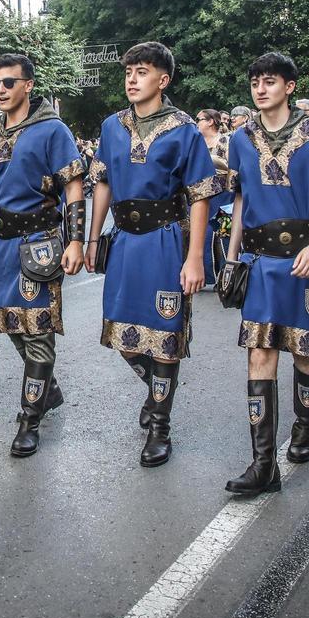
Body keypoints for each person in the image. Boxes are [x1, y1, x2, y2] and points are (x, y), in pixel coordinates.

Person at [221, 52, 309, 495]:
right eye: (255, 82)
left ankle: (303, 428)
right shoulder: (241, 138)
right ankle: (263, 464)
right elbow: (240, 199)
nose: (261, 89)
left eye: (270, 81)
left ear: (289, 87)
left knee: (305, 351)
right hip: (260, 262)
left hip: (305, 260)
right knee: (259, 354)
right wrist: (232, 258)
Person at [85, 42, 219, 466]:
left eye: (141, 72)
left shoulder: (184, 129)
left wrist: (195, 257)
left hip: (165, 239)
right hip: (124, 240)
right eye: (128, 72)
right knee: (122, 335)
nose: (131, 79)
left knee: (164, 335)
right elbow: (102, 183)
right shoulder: (112, 126)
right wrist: (92, 239)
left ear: (163, 80)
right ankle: (158, 391)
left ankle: (160, 426)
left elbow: (200, 196)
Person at [0, 53, 86, 458]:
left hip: (39, 241)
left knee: (38, 329)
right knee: (12, 324)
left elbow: (73, 187)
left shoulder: (52, 129)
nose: (0, 90)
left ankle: (30, 420)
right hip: (0, 244)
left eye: (9, 82)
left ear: (28, 85)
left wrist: (76, 241)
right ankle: (48, 388)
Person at [196, 108, 233, 287]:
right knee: (201, 235)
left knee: (223, 236)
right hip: (201, 196)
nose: (196, 123)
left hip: (224, 198)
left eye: (199, 119)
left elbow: (233, 168)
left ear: (210, 121)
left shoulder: (226, 141)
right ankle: (203, 275)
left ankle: (227, 277)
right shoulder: (195, 143)